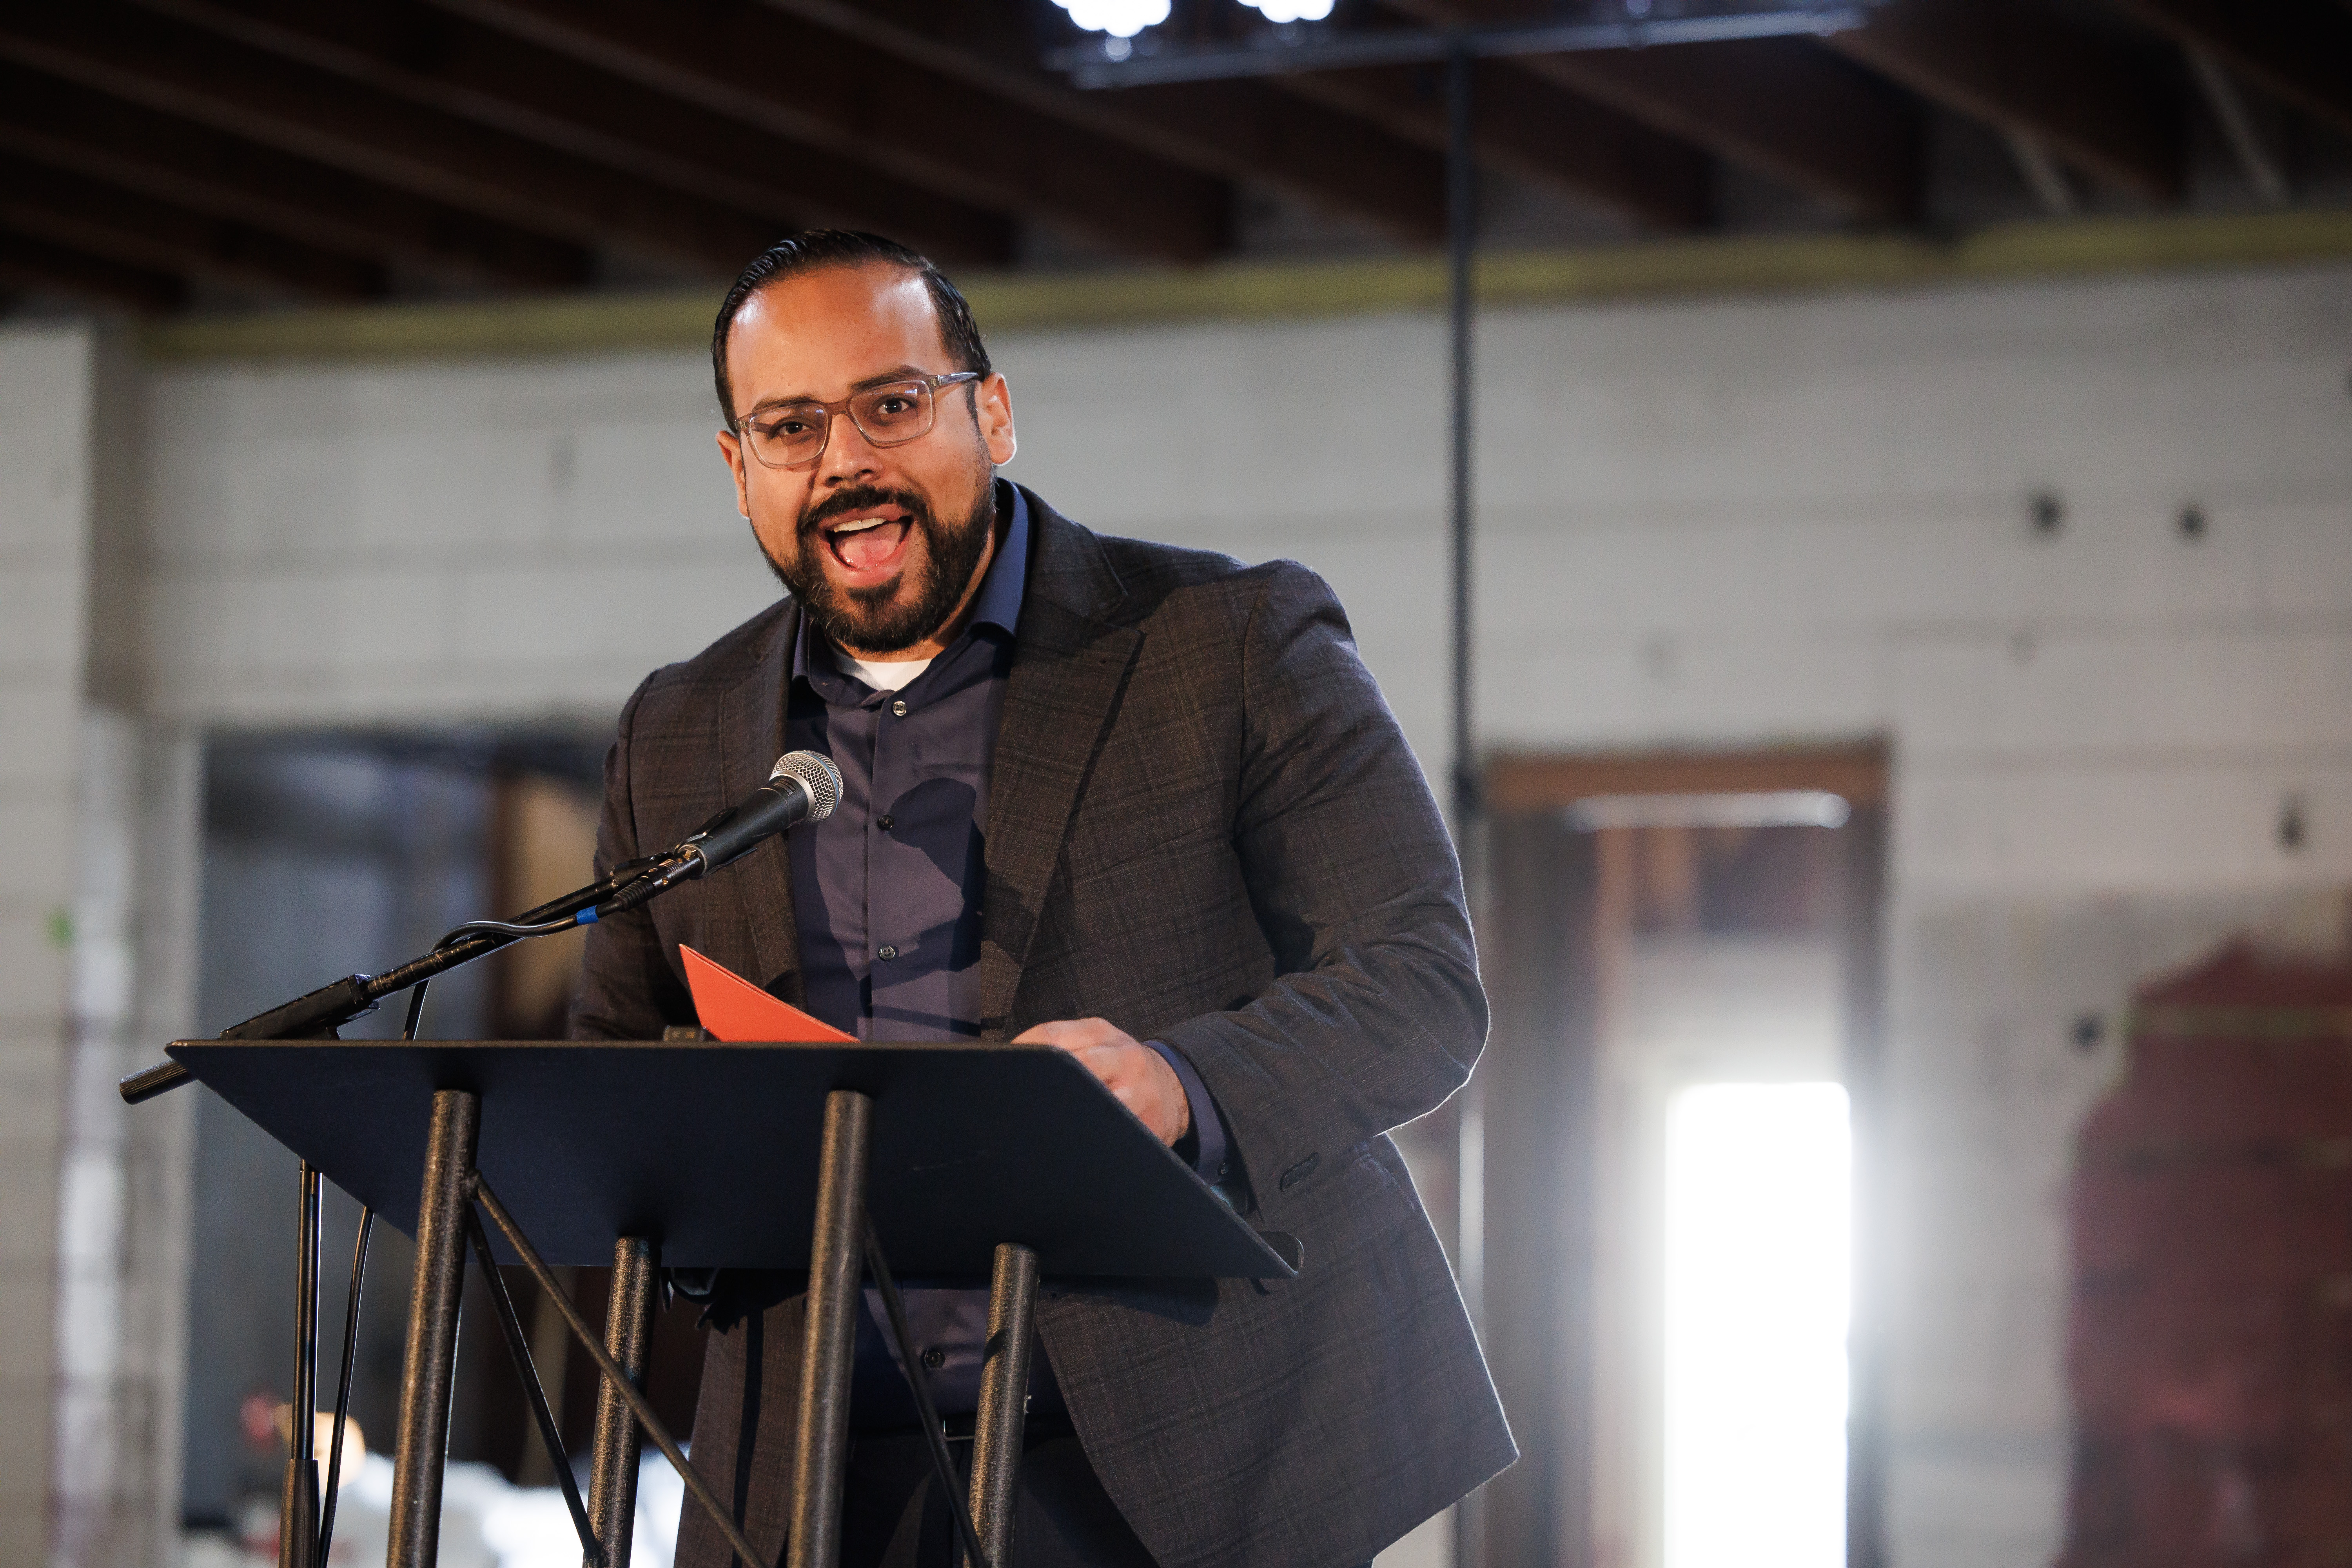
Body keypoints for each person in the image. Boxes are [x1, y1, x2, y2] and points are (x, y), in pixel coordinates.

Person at [573, 230, 1513, 1568]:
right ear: (739, 471)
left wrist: (1182, 1083)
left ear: (991, 412)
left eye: (891, 404)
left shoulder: (1229, 642)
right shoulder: (677, 731)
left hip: (1177, 1461)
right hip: (812, 1481)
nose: (845, 460)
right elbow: (613, 1086)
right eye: (791, 427)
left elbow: (1423, 984)